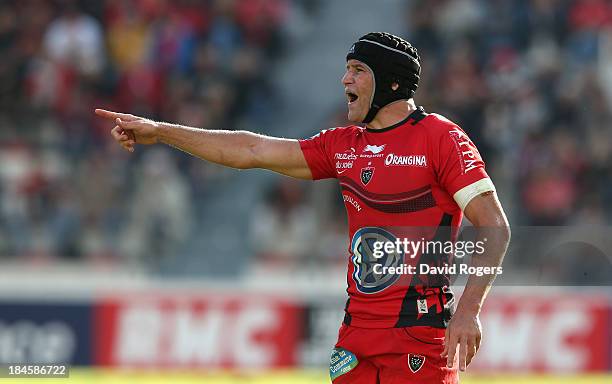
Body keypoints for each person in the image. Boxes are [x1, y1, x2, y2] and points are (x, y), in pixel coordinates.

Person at [95, 32, 510, 384]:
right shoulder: (343, 145)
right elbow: (252, 149)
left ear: (392, 83)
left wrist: (469, 311)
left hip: (418, 334)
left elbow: (494, 227)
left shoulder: (440, 138)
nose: (345, 78)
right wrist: (161, 131)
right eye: (347, 68)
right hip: (356, 336)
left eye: (358, 70)